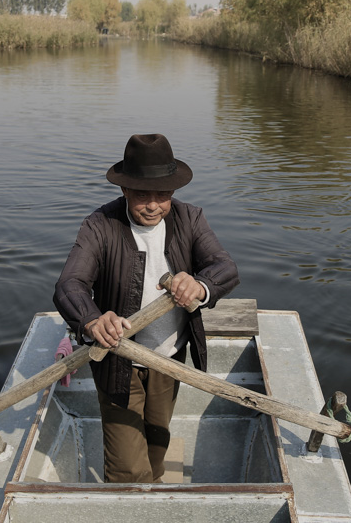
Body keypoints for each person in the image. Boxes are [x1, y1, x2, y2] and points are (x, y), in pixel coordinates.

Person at [53, 133, 240, 483]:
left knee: (156, 450)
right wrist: (92, 319)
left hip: (169, 360)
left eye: (163, 195)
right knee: (128, 473)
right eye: (142, 194)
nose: (153, 205)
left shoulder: (190, 218)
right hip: (116, 359)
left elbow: (224, 268)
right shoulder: (100, 225)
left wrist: (200, 285)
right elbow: (70, 285)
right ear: (125, 190)